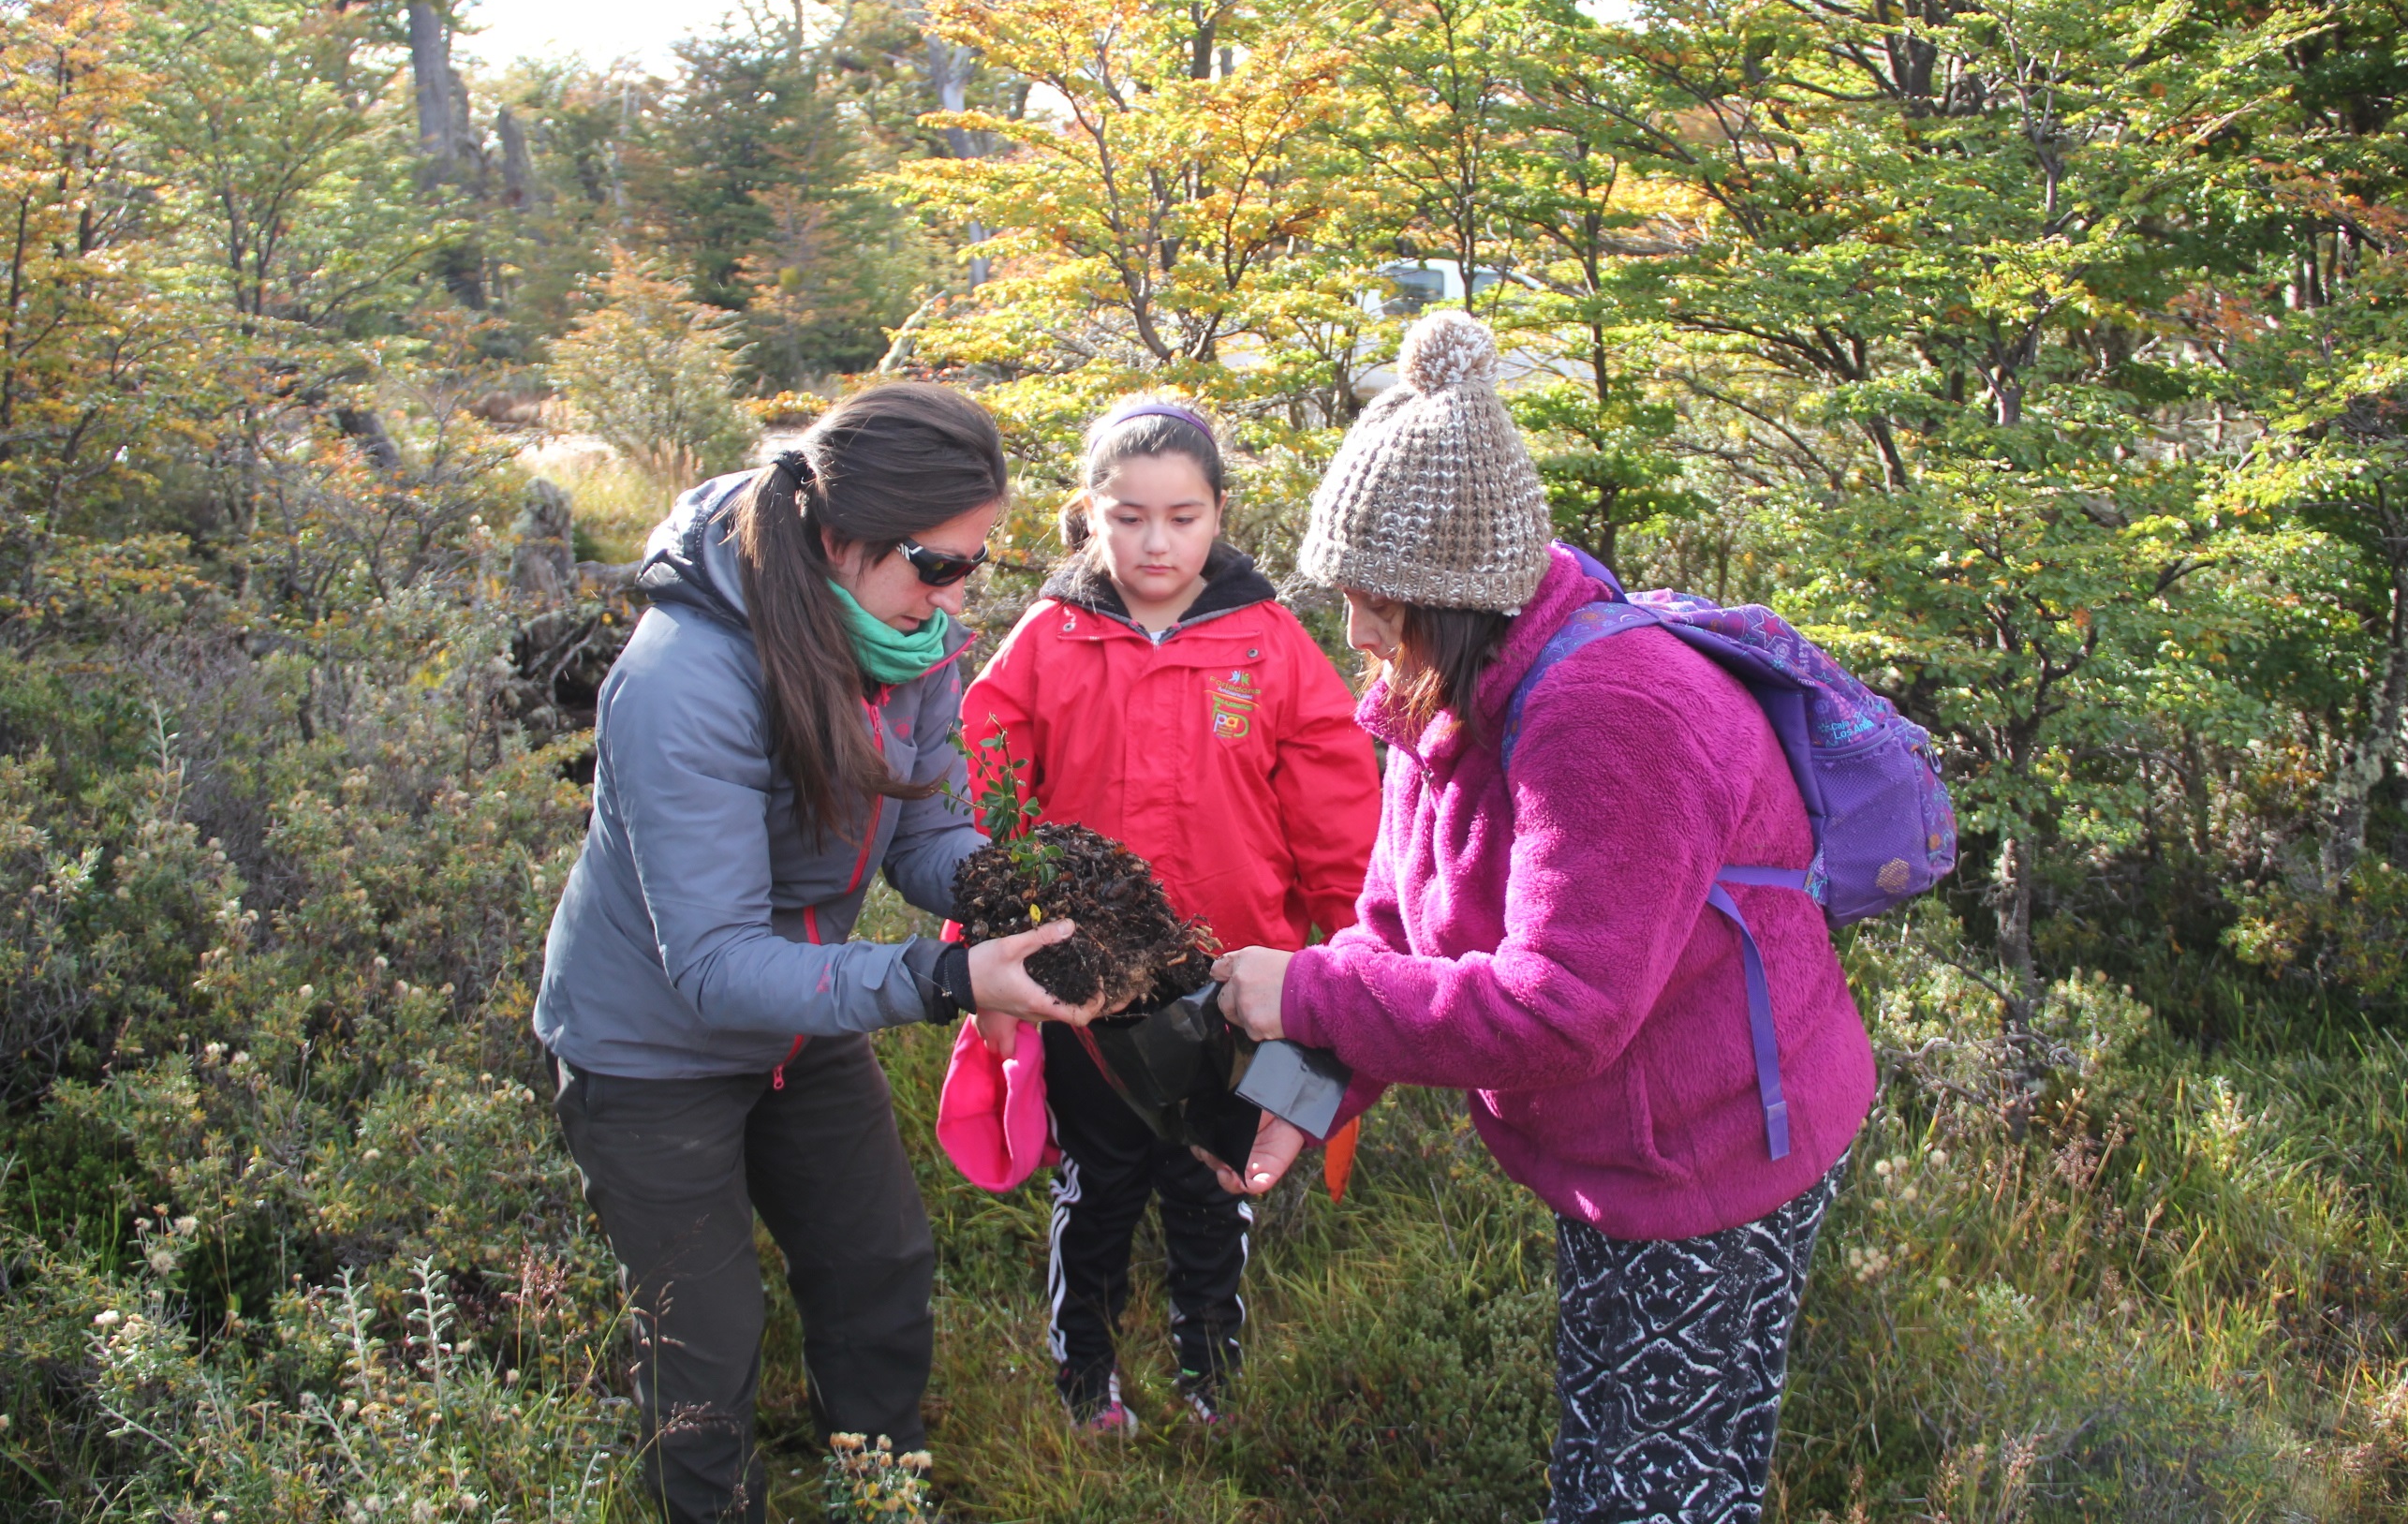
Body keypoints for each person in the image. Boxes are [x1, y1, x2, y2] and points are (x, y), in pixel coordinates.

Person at [1213, 313, 1875, 1523]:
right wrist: (1301, 1099)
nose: (1352, 633)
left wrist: (1296, 994)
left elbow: (1562, 1011)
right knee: (1630, 1460)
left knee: (1642, 1490)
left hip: (1713, 1156)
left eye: (1375, 603)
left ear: (1456, 599)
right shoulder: (1443, 686)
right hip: (1628, 1145)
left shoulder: (1609, 717)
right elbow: (1392, 930)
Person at [533, 383, 1098, 1524]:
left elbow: (927, 832)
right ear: (837, 534)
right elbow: (712, 965)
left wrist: (1012, 894)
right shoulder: (684, 675)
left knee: (878, 1268)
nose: (954, 595)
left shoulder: (907, 636)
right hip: (652, 1050)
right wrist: (945, 979)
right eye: (937, 564)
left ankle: (879, 1499)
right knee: (704, 1337)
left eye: (974, 565)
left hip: (803, 1022)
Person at [961, 395, 1381, 1432]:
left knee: (1215, 1180)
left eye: (1183, 517)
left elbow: (1338, 819)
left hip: (1240, 979)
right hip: (1084, 977)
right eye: (1129, 515)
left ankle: (1211, 1378)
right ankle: (1084, 1375)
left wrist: (1354, 960)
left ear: (1220, 513)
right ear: (1090, 513)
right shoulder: (1050, 638)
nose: (1156, 541)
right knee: (1098, 1184)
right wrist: (978, 959)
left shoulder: (1271, 644)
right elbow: (988, 815)